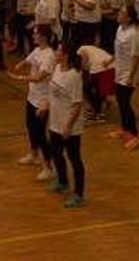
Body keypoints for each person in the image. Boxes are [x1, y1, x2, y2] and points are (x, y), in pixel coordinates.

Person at [8, 25, 56, 181]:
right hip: (32, 97)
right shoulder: (38, 50)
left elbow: (39, 77)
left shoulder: (49, 56)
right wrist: (19, 65)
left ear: (44, 37)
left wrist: (19, 78)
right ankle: (34, 154)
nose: (33, 36)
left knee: (41, 133)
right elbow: (28, 60)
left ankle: (48, 167)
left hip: (43, 101)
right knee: (30, 126)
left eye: (36, 34)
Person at [48, 43, 87, 208]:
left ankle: (78, 194)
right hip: (55, 122)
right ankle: (63, 181)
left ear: (65, 55)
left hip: (69, 126)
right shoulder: (57, 69)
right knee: (56, 153)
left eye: (58, 50)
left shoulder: (74, 76)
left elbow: (77, 104)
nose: (56, 53)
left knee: (74, 158)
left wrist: (68, 126)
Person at [113, 5, 139, 150]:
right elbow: (119, 50)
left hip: (129, 73)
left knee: (126, 103)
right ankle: (125, 129)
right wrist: (110, 60)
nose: (119, 14)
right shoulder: (120, 29)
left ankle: (135, 135)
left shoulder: (134, 34)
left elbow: (136, 57)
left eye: (122, 13)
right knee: (120, 101)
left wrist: (130, 77)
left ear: (129, 18)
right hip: (120, 71)